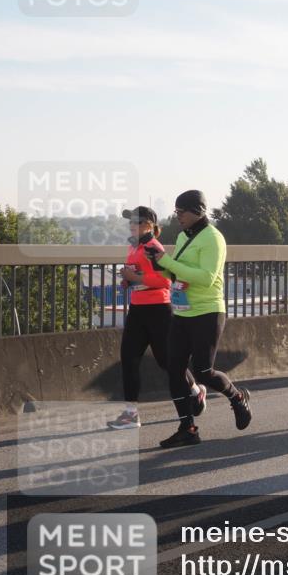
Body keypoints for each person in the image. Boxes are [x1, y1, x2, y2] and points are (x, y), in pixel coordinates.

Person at [146, 190, 252, 448]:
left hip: (208, 311)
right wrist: (161, 265)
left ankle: (236, 397)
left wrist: (168, 261)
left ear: (197, 211)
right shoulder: (183, 236)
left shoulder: (213, 238)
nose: (177, 216)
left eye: (181, 211)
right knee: (174, 370)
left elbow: (205, 277)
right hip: (183, 312)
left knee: (203, 371)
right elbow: (179, 274)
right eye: (176, 211)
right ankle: (188, 428)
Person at [108, 207, 206, 430]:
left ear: (150, 225)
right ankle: (131, 415)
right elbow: (141, 276)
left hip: (158, 310)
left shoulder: (153, 247)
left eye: (137, 221)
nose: (132, 224)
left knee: (167, 361)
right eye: (130, 221)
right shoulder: (134, 247)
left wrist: (134, 277)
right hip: (138, 309)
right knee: (129, 359)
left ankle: (195, 391)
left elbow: (165, 281)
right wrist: (129, 281)